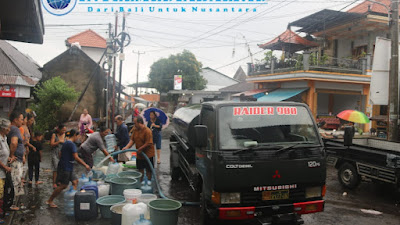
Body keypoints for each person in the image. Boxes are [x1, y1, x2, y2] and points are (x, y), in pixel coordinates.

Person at [46, 129, 90, 208]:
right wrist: (85, 165)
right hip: (66, 167)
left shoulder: (66, 142)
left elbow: (60, 154)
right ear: (75, 135)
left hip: (68, 166)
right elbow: (76, 157)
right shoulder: (71, 144)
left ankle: (73, 200)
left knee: (75, 181)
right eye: (78, 136)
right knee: (63, 186)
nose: (79, 138)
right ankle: (50, 200)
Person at [122, 116, 154, 181]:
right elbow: (132, 140)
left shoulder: (147, 131)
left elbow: (148, 143)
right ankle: (140, 182)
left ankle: (149, 182)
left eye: (135, 123)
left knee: (148, 170)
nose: (134, 125)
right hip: (139, 155)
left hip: (148, 154)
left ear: (139, 123)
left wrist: (140, 149)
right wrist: (126, 147)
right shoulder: (135, 130)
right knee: (140, 169)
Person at [7, 111, 25, 211]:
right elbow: (14, 143)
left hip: (17, 158)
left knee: (15, 181)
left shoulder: (12, 129)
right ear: (15, 120)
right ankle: (12, 204)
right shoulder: (15, 129)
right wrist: (11, 155)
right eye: (21, 119)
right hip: (15, 160)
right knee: (15, 181)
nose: (22, 121)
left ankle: (12, 202)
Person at [0, 118, 12, 222]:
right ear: (3, 128)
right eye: (8, 127)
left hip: (4, 171)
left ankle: (2, 211)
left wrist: (8, 158)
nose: (10, 129)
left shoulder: (4, 137)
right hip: (1, 171)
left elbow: (4, 153)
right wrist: (5, 167)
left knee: (3, 192)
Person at [50, 125, 66, 189]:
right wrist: (59, 141)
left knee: (61, 168)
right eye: (63, 130)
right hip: (55, 153)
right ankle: (54, 182)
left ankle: (59, 180)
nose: (63, 132)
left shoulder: (64, 135)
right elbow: (51, 144)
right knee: (56, 168)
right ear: (59, 129)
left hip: (62, 153)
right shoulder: (54, 135)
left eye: (65, 130)